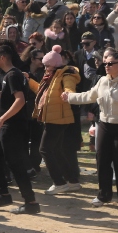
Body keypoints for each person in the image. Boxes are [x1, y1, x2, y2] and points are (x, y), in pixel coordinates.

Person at [63, 48, 118, 210]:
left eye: (111, 63)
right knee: (102, 160)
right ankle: (103, 195)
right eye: (105, 63)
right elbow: (89, 95)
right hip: (104, 124)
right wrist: (69, 97)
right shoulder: (103, 80)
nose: (107, 66)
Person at [0, 45, 41, 214]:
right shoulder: (11, 75)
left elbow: (20, 101)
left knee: (15, 164)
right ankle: (3, 194)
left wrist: (1, 119)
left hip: (12, 126)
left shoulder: (13, 75)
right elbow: (11, 97)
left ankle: (30, 202)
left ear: (3, 58)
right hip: (10, 125)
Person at [32, 47, 82, 196]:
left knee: (45, 149)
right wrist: (28, 80)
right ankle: (72, 181)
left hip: (58, 118)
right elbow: (41, 93)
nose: (45, 68)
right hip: (52, 117)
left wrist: (69, 94)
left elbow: (69, 87)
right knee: (57, 150)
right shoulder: (50, 77)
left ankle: (59, 182)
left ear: (55, 65)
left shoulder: (66, 74)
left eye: (47, 66)